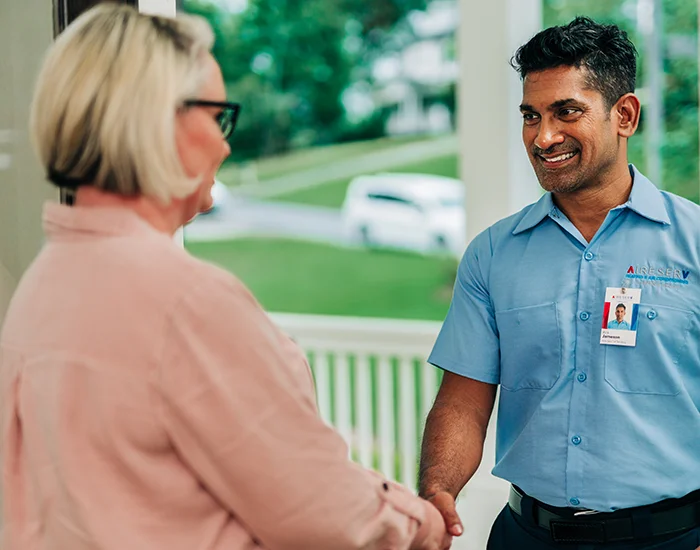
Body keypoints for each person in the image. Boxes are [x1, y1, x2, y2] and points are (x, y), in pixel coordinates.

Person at [0, 5, 450, 550]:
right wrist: (419, 525)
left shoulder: (43, 283)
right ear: (157, 119)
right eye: (219, 116)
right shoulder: (181, 301)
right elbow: (325, 514)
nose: (225, 143)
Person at [419, 16, 700, 550]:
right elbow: (463, 402)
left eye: (567, 112)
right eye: (531, 115)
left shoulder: (695, 242)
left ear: (625, 114)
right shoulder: (493, 254)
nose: (544, 137)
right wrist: (436, 490)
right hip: (527, 537)